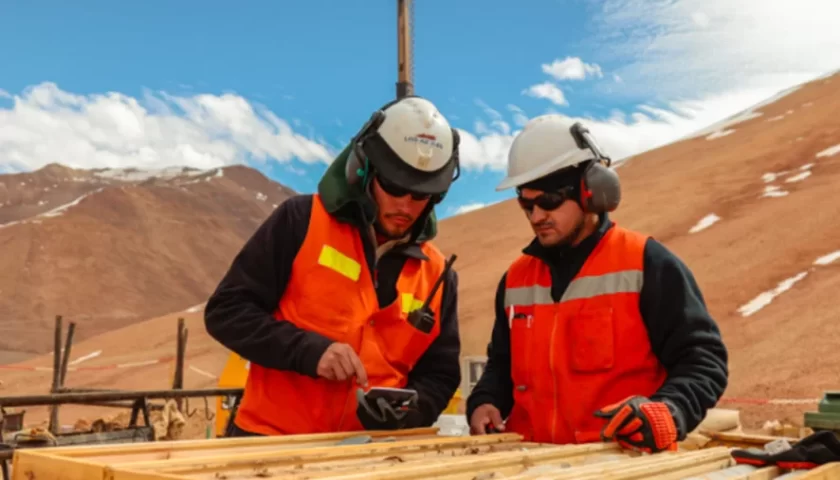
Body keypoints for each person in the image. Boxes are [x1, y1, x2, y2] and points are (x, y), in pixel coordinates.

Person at [466, 114, 729, 453]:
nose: (536, 216)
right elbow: (502, 365)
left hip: (623, 465)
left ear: (590, 191)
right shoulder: (516, 279)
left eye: (548, 201)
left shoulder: (646, 264)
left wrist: (668, 411)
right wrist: (486, 400)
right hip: (531, 465)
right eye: (526, 204)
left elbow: (703, 361)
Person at [204, 95, 463, 436]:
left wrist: (412, 413)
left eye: (421, 194)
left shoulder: (438, 274)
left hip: (371, 453)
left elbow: (440, 373)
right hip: (269, 440)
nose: (406, 204)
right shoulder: (300, 221)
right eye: (394, 187)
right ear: (363, 170)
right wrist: (309, 352)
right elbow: (227, 312)